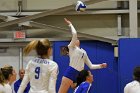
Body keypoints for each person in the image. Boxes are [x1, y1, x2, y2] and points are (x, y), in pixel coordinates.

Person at [58, 18, 107, 93]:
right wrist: (70, 24)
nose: (76, 39)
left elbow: (91, 66)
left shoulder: (84, 52)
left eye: (77, 39)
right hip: (71, 72)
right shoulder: (71, 47)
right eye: (75, 39)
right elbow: (74, 34)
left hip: (79, 75)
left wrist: (101, 66)